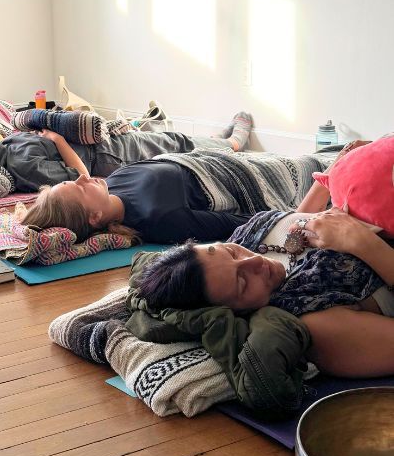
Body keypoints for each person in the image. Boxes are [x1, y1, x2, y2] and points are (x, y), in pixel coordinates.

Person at [133, 140, 394, 378]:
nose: (254, 262)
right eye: (242, 282)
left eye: (230, 252)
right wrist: (362, 243)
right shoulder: (316, 324)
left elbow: (296, 225)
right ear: (233, 311)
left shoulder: (247, 236)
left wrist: (334, 173)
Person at [0, 111, 254, 204]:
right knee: (173, 143)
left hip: (108, 145)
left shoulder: (7, 149)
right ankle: (235, 145)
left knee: (171, 139)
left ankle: (215, 139)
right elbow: (80, 176)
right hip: (109, 157)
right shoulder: (21, 164)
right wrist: (56, 139)